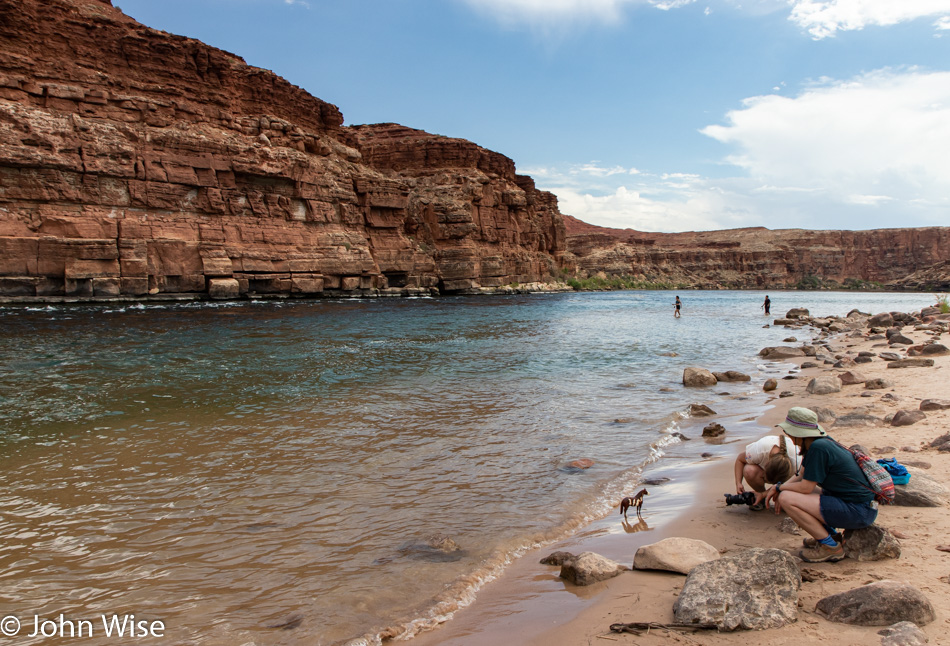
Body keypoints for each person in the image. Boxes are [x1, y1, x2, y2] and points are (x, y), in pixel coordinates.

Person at [761, 407, 878, 563]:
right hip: (862, 506)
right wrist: (778, 487)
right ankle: (830, 535)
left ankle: (830, 546)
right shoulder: (820, 442)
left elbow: (805, 488)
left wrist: (779, 488)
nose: (786, 434)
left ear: (799, 433)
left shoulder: (818, 448)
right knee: (789, 494)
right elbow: (801, 475)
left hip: (858, 510)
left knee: (786, 499)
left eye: (788, 431)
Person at [734, 434, 799, 495]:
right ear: (766, 464)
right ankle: (761, 498)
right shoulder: (760, 449)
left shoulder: (797, 461)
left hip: (791, 480)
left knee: (784, 499)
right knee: (749, 470)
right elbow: (740, 459)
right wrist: (738, 483)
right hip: (765, 454)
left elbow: (802, 484)